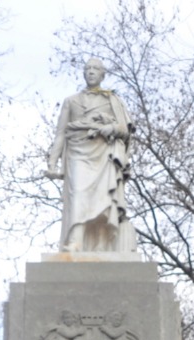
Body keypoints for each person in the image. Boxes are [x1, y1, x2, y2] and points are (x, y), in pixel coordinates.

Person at [45, 58, 136, 253]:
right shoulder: (71, 101)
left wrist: (108, 127)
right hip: (78, 152)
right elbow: (61, 132)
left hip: (104, 153)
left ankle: (102, 244)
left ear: (103, 74)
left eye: (95, 69)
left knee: (103, 200)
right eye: (87, 69)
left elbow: (124, 130)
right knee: (78, 193)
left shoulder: (112, 100)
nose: (91, 72)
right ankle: (76, 241)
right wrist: (52, 162)